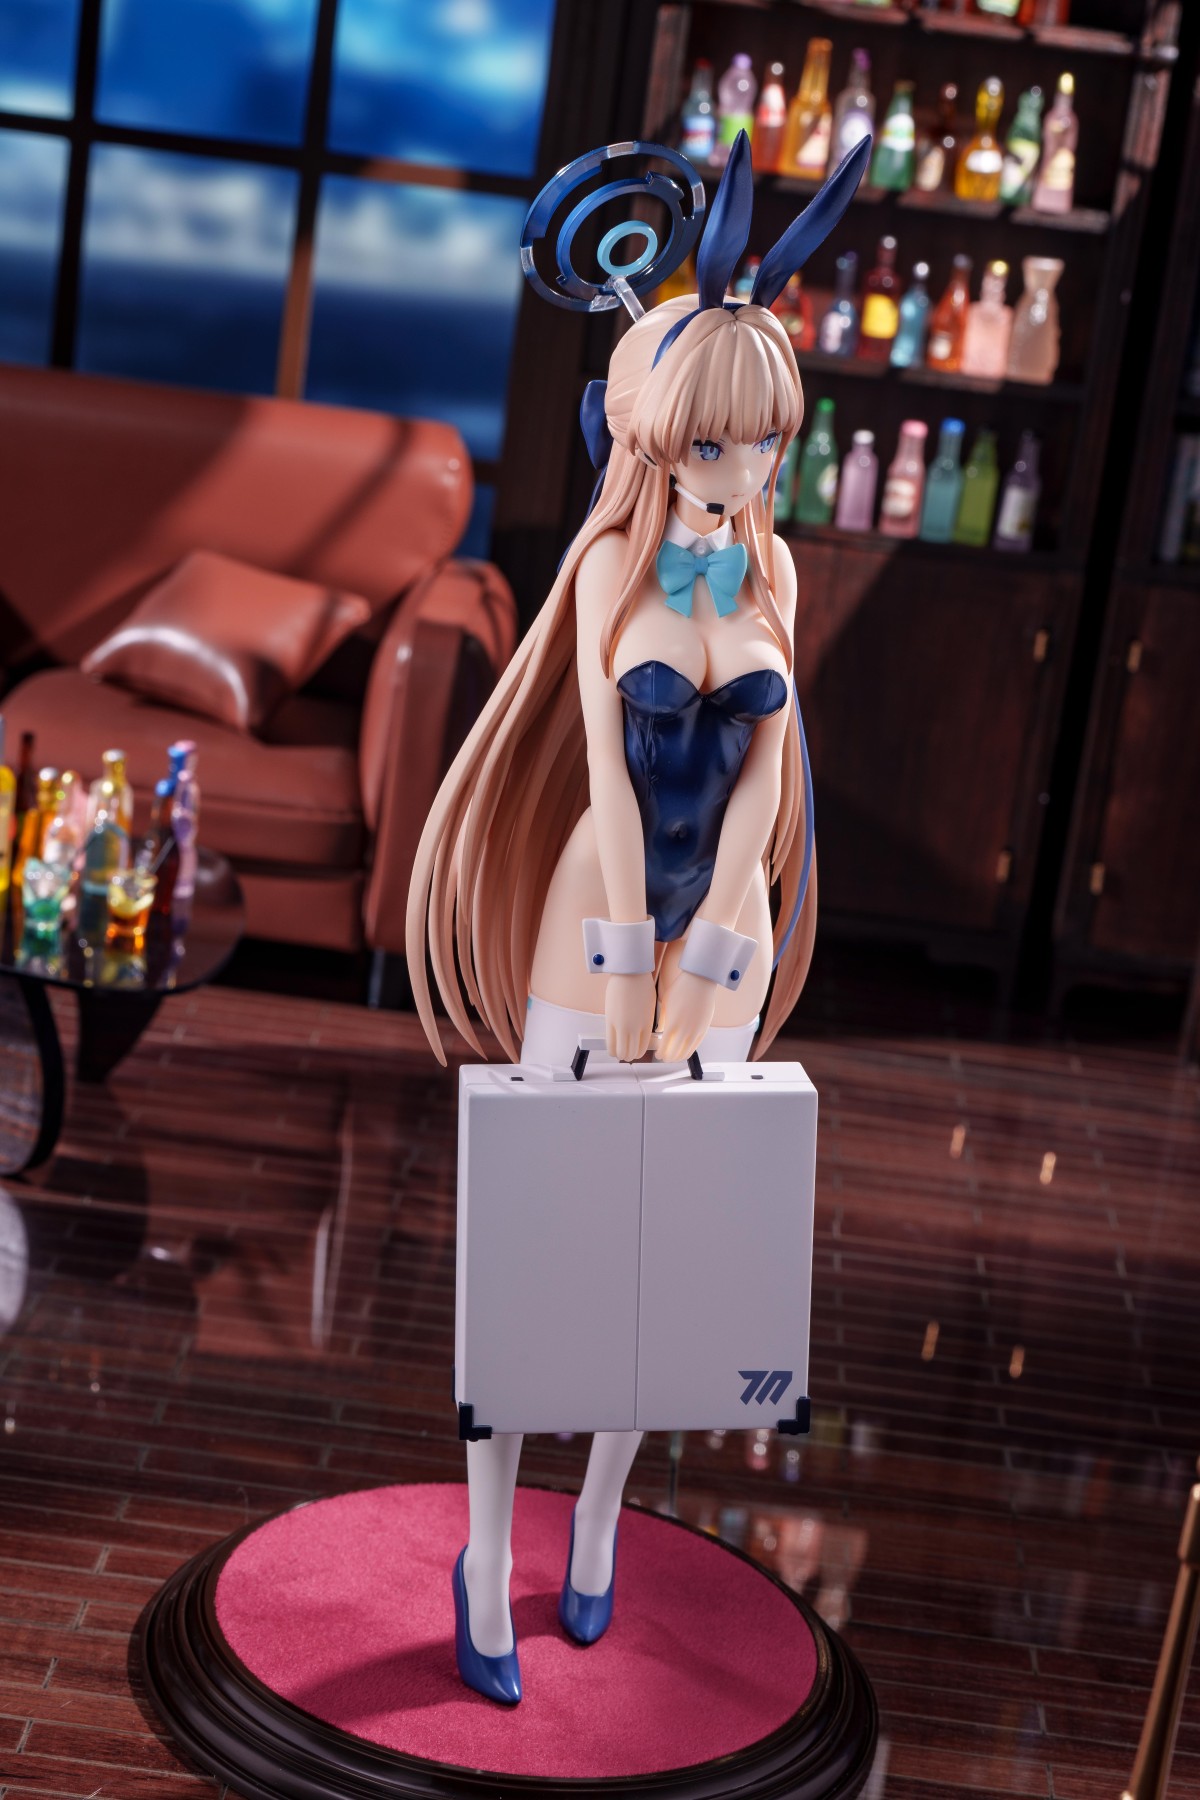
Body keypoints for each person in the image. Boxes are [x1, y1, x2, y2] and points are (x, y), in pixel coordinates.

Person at [406, 131, 868, 1705]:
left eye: (768, 440)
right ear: (663, 433)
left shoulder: (772, 569)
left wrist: (719, 943)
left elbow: (767, 782)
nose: (749, 469)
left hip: (720, 929)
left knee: (662, 1253)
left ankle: (597, 1519)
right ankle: (487, 1548)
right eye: (724, 442)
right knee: (547, 1232)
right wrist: (625, 962)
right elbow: (608, 766)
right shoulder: (614, 563)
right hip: (589, 917)